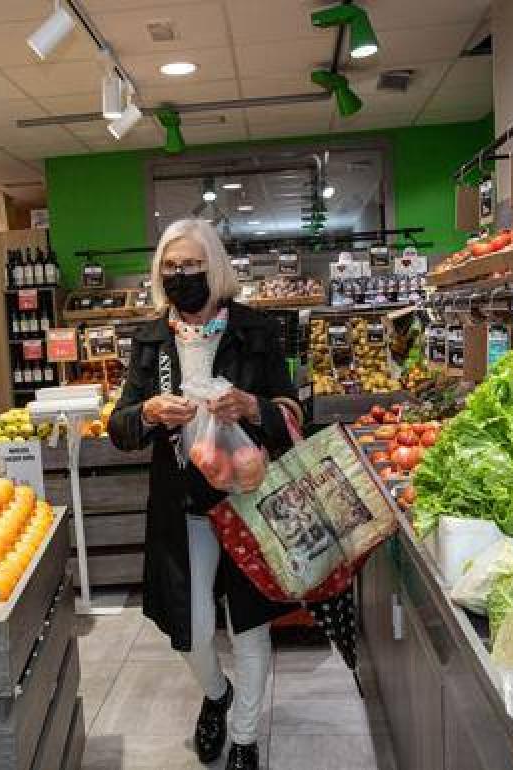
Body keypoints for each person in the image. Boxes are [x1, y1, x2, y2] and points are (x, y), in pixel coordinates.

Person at [108, 219, 302, 769]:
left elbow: (291, 414)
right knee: (190, 626)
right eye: (170, 267)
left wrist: (251, 407)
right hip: (182, 505)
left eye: (191, 265)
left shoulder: (255, 330)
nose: (181, 276)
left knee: (248, 624)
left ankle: (244, 736)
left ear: (213, 267)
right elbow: (121, 428)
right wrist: (145, 412)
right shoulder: (151, 340)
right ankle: (216, 695)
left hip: (246, 502)